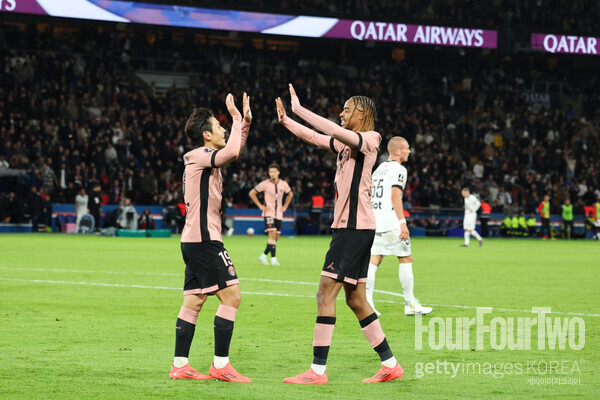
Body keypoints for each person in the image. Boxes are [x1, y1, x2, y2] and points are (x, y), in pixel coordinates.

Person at [276, 84, 403, 384]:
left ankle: (317, 371)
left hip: (353, 228)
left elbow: (331, 129)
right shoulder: (347, 145)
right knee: (356, 300)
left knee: (325, 293)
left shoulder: (370, 140)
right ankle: (390, 364)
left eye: (346, 109)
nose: (341, 113)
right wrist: (287, 122)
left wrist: (300, 110)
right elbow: (317, 136)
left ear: (361, 112)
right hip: (353, 228)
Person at [169, 93, 252, 383]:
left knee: (193, 301)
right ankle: (221, 365)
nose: (224, 129)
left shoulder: (201, 158)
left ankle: (180, 365)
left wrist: (245, 124)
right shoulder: (202, 156)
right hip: (205, 239)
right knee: (232, 296)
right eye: (219, 126)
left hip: (193, 239)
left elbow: (234, 150)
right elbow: (231, 153)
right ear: (206, 135)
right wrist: (237, 116)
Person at [366, 137, 432, 317]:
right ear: (397, 151)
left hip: (375, 220)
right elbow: (396, 196)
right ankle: (410, 304)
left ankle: (368, 304)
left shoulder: (379, 169)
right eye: (407, 148)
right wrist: (402, 223)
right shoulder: (399, 169)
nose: (409, 151)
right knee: (405, 258)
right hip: (390, 221)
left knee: (374, 260)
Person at [249, 164, 294, 266]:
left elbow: (290, 194)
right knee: (272, 234)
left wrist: (285, 206)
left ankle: (264, 256)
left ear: (278, 172)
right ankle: (273, 259)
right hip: (268, 213)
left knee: (276, 237)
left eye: (274, 172)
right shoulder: (264, 184)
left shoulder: (283, 184)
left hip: (278, 213)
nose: (272, 174)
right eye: (270, 172)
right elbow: (252, 193)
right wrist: (260, 206)